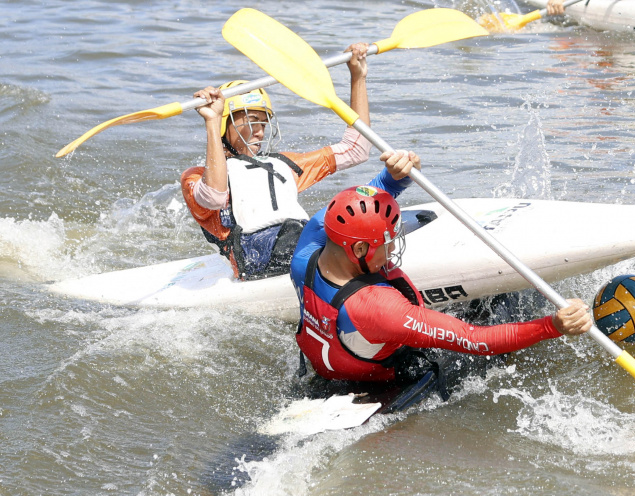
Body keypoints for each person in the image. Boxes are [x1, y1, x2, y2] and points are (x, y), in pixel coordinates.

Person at [289, 151, 593, 398]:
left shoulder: (308, 250)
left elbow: (364, 199)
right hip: (379, 381)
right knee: (504, 299)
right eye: (386, 241)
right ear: (357, 250)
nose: (393, 246)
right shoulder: (378, 308)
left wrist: (395, 178)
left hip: (330, 365)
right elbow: (477, 340)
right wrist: (553, 326)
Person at [181, 43, 372, 280]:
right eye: (252, 121)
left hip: (301, 243)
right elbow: (214, 197)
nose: (260, 131)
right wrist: (212, 120)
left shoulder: (284, 164)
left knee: (349, 215)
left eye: (263, 123)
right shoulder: (196, 177)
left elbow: (357, 149)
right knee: (298, 232)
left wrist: (358, 77)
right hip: (258, 260)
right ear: (224, 124)